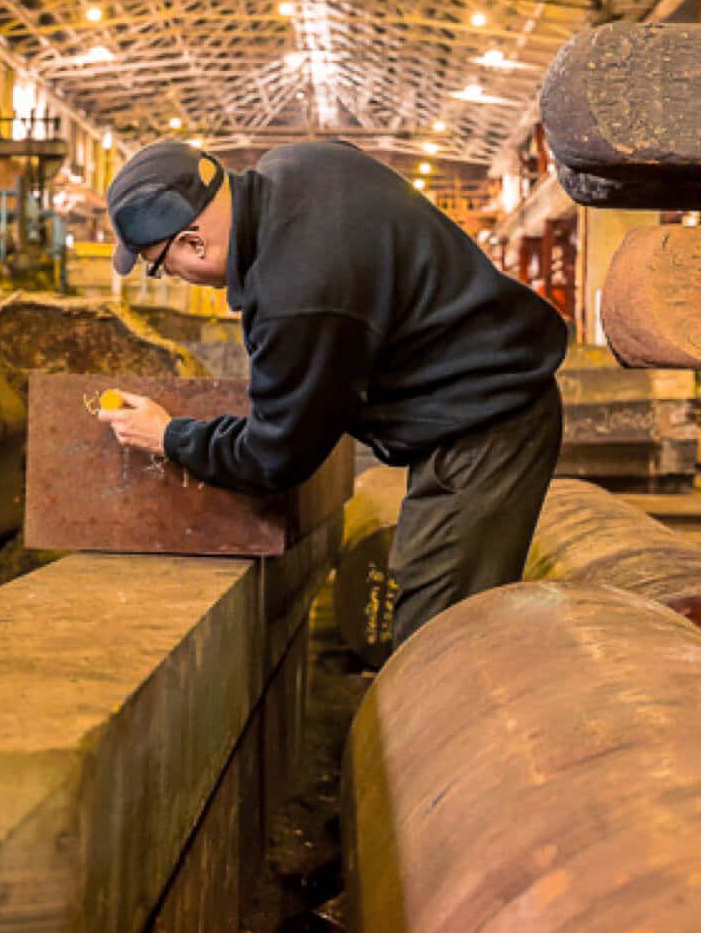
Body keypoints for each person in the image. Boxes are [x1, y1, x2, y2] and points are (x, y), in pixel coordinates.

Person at [98, 139, 566, 651]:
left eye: (159, 265)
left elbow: (274, 456)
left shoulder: (297, 294)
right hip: (483, 393)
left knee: (437, 640)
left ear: (194, 242)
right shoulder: (298, 163)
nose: (172, 276)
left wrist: (170, 436)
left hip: (486, 425)